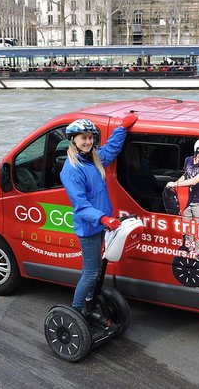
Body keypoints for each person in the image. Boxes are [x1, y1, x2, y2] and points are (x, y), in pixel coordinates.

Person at [60, 113, 138, 313]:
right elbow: (81, 205)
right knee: (91, 273)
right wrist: (103, 218)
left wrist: (122, 128)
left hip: (102, 224)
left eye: (90, 137)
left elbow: (111, 149)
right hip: (89, 228)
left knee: (94, 271)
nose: (87, 141)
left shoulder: (93, 159)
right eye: (83, 138)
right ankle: (77, 311)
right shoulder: (72, 169)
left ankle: (89, 301)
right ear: (73, 140)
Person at [166, 138, 199, 254]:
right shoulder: (188, 160)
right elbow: (186, 175)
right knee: (187, 230)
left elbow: (194, 181)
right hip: (187, 200)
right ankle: (188, 254)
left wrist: (175, 184)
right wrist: (175, 185)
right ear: (198, 148)